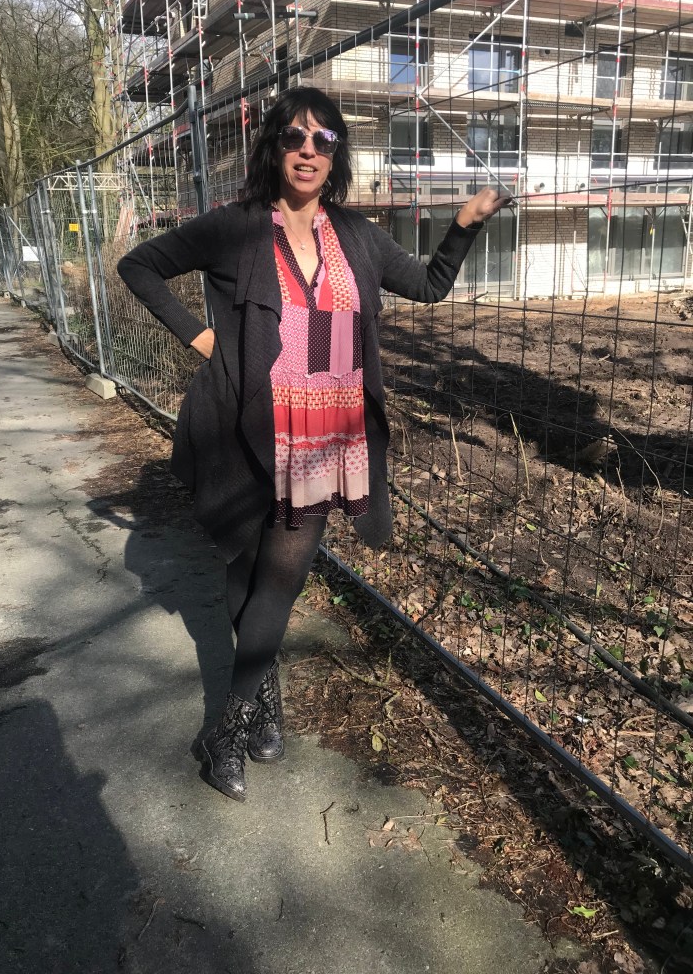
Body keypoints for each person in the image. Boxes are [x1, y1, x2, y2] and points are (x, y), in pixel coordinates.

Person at [117, 87, 508, 803]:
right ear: (274, 147)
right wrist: (200, 337)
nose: (307, 150)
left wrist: (463, 224)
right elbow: (139, 265)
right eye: (294, 137)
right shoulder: (234, 228)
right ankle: (267, 702)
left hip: (327, 432)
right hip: (244, 426)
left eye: (322, 139)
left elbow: (429, 285)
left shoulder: (358, 236)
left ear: (335, 155)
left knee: (279, 580)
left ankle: (227, 728)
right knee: (243, 572)